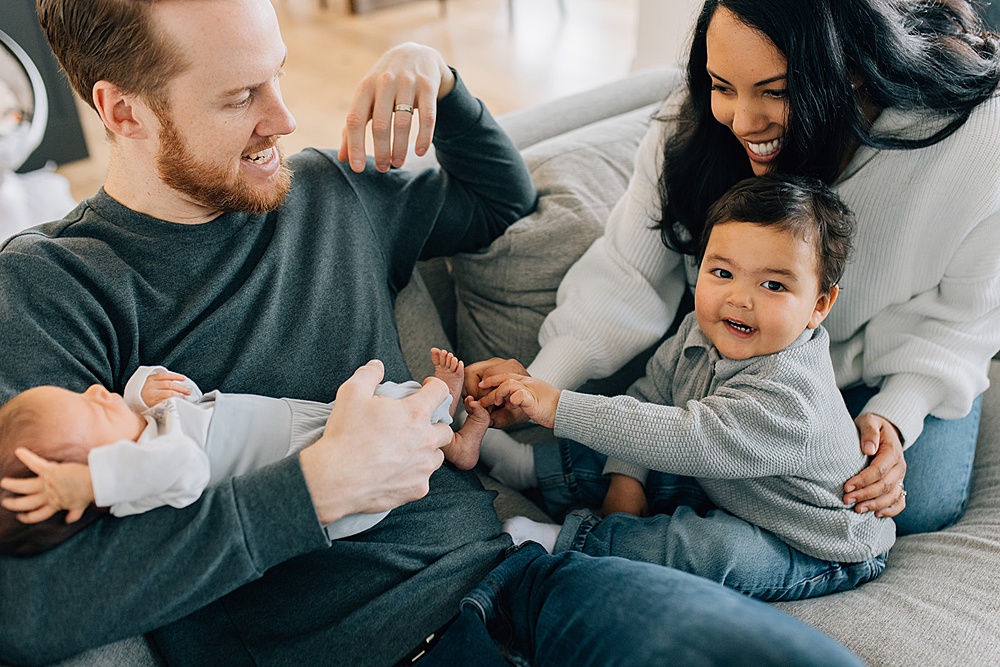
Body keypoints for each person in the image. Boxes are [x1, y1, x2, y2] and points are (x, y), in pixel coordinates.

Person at [0, 1, 867, 665]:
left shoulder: (324, 193)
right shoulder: (52, 287)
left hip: (520, 581)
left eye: (277, 75)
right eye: (239, 96)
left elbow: (500, 204)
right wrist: (314, 489)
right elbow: (23, 602)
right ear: (122, 111)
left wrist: (440, 82)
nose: (285, 118)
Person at [467, 0, 1000, 537]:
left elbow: (966, 317)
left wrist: (895, 415)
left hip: (882, 361)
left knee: (912, 502)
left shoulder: (977, 140)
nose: (743, 123)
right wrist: (535, 384)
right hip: (745, 366)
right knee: (703, 450)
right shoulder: (695, 129)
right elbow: (628, 275)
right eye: (723, 86)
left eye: (777, 91)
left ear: (855, 69)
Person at [480, 174, 895, 601]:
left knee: (715, 549)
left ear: (819, 306)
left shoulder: (792, 399)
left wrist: (558, 407)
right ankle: (528, 466)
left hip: (816, 545)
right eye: (722, 272)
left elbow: (690, 437)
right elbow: (650, 397)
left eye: (773, 285)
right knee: (626, 432)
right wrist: (627, 476)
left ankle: (572, 541)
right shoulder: (698, 331)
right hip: (740, 486)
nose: (739, 298)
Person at [0, 349, 489, 551]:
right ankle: (445, 412)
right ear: (104, 472)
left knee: (384, 405)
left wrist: (139, 390)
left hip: (308, 429)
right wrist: (93, 483)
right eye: (91, 410)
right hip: (316, 461)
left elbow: (189, 397)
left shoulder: (153, 429)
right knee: (391, 405)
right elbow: (185, 467)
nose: (94, 389)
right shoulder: (148, 476)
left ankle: (455, 441)